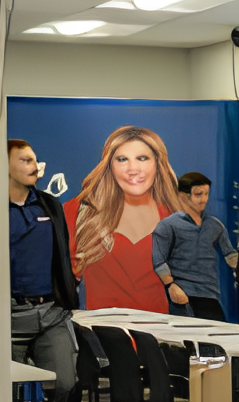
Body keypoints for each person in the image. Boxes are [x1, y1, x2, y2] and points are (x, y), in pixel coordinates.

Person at [66, 125, 184, 313]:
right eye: (122, 159)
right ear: (109, 165)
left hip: (160, 335)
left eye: (142, 158)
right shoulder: (80, 212)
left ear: (158, 163)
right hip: (100, 335)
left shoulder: (176, 216)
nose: (133, 169)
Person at [6, 139, 80, 402]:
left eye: (35, 160)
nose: (34, 166)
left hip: (51, 312)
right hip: (8, 316)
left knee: (65, 384)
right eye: (25, 160)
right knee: (5, 394)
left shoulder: (50, 205)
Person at [151, 170, 237, 318]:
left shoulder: (215, 225)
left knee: (216, 336)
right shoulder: (167, 225)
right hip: (183, 295)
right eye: (199, 194)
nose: (204, 199)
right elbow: (159, 261)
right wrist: (171, 286)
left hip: (210, 294)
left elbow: (229, 254)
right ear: (184, 196)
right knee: (187, 338)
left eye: (206, 194)